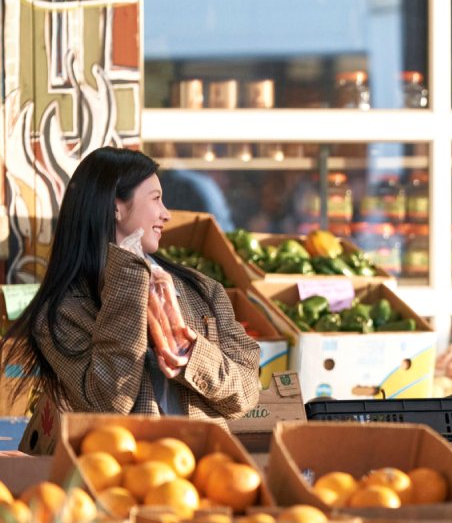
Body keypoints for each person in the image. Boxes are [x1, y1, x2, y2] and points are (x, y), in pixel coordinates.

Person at [0, 147, 260, 427]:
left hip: (201, 455)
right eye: (156, 199)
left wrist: (193, 356)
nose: (166, 214)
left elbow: (247, 394)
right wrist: (129, 277)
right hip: (122, 456)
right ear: (116, 207)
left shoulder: (201, 291)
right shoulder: (61, 312)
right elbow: (107, 402)